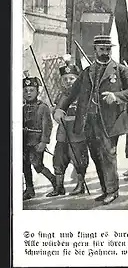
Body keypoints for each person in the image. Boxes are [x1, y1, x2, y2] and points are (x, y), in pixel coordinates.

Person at [53, 35, 128, 205]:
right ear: (95, 50)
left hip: (110, 121)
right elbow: (72, 93)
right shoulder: (87, 72)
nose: (105, 53)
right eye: (102, 49)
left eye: (108, 49)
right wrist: (61, 108)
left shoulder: (121, 70)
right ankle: (105, 189)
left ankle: (112, 191)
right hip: (89, 122)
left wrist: (116, 96)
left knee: (108, 155)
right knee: (96, 156)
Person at [47, 55, 89, 197]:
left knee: (78, 158)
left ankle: (80, 185)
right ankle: (59, 187)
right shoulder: (60, 96)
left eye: (71, 78)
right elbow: (56, 115)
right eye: (65, 79)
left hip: (77, 131)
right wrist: (54, 112)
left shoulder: (83, 95)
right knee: (59, 157)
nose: (68, 81)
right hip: (62, 132)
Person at [22, 74, 56, 200]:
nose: (28, 93)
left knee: (37, 165)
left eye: (31, 90)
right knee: (25, 165)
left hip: (36, 141)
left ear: (37, 91)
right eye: (25, 91)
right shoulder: (23, 108)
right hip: (24, 141)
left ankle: (54, 181)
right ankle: (29, 190)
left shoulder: (43, 107)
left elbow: (48, 126)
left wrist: (43, 142)